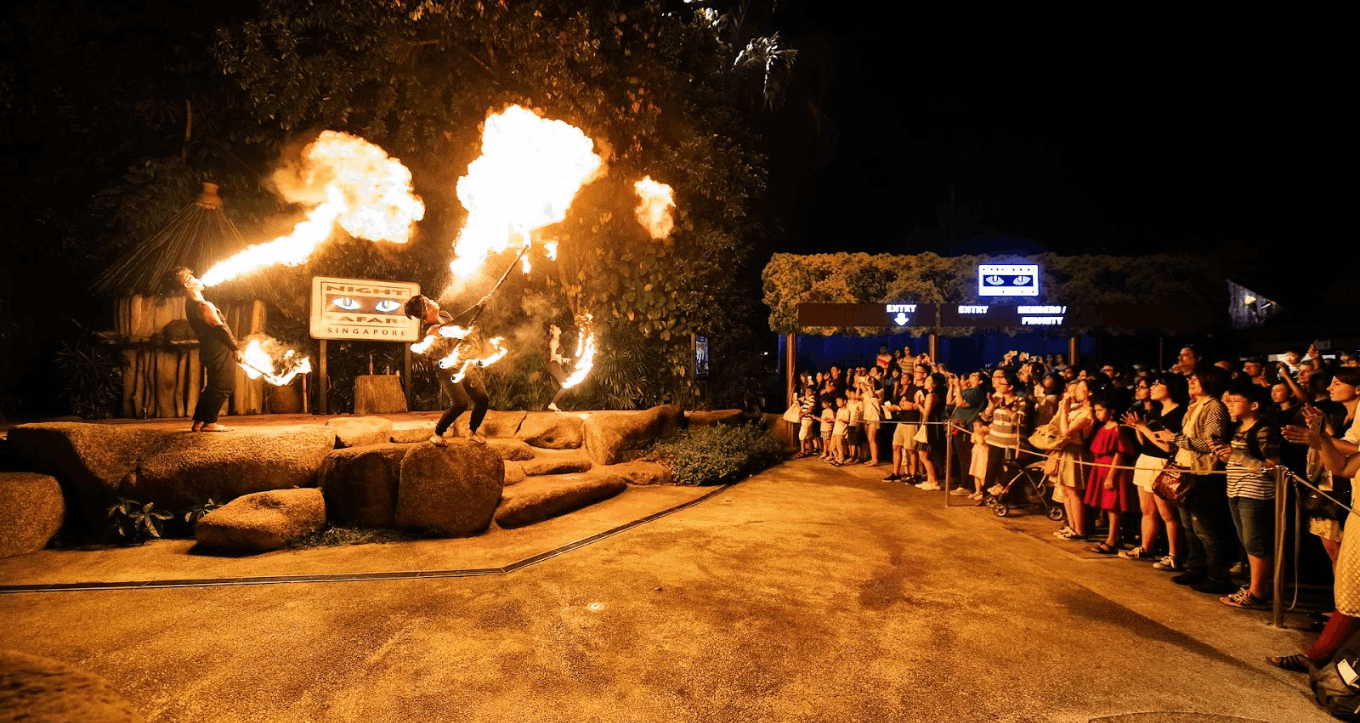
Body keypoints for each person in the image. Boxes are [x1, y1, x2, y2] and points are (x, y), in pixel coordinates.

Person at [1213, 384, 1281, 609]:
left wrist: (1236, 455)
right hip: (1235, 489)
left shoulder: (1263, 430)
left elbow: (1272, 467)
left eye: (1235, 400)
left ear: (1254, 405)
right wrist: (1224, 455)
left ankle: (1259, 592)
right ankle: (1256, 586)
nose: (1229, 404)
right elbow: (1236, 460)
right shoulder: (1238, 428)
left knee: (1256, 543)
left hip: (1256, 492)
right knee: (1247, 541)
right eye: (1228, 401)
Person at [405, 293, 491, 446]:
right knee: (460, 402)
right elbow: (452, 326)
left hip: (462, 363)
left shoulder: (444, 315)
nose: (432, 301)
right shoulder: (432, 330)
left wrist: (478, 312)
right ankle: (437, 433)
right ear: (427, 309)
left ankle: (472, 432)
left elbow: (459, 325)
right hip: (446, 368)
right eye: (428, 301)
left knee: (482, 398)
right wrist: (477, 307)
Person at [171, 267, 243, 433]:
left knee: (213, 385)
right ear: (188, 284)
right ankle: (210, 422)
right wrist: (236, 349)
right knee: (224, 385)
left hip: (209, 351)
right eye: (192, 277)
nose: (198, 278)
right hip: (218, 351)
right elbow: (221, 329)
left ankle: (199, 420)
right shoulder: (204, 306)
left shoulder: (190, 304)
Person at [1085, 394, 1139, 554]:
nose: (1097, 413)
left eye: (1100, 410)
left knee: (1113, 506)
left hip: (1111, 468)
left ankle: (1113, 539)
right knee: (1107, 506)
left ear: (1111, 411)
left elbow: (1119, 453)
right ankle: (1113, 536)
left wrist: (1111, 475)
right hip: (1101, 467)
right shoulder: (1103, 428)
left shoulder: (1116, 429)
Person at [546, 322, 572, 412]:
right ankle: (552, 404)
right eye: (557, 327)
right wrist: (560, 361)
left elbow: (557, 356)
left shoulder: (556, 341)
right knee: (566, 385)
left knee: (558, 388)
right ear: (553, 331)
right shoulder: (554, 341)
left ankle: (553, 405)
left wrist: (564, 359)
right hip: (554, 365)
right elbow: (553, 355)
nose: (559, 327)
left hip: (555, 365)